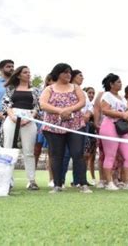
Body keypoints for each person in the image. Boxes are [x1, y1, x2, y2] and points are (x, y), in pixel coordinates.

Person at [39, 63, 92, 194]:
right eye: (65, 72)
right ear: (58, 74)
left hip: (75, 125)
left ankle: (83, 183)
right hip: (54, 126)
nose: (68, 75)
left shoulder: (75, 87)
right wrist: (60, 111)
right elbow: (43, 104)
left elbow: (82, 102)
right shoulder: (49, 89)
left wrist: (69, 110)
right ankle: (57, 184)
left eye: (69, 72)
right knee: (56, 155)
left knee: (78, 153)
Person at [1, 66, 40, 190]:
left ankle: (31, 180)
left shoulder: (35, 90)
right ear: (18, 75)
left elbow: (37, 106)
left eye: (29, 72)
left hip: (29, 119)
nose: (28, 74)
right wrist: (12, 117)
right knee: (8, 148)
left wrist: (29, 118)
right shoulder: (10, 89)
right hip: (12, 117)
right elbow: (6, 104)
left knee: (29, 151)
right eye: (25, 72)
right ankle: (6, 180)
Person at [99, 73, 128, 190]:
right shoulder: (106, 95)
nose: (121, 84)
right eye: (118, 82)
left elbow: (125, 111)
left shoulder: (120, 97)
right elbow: (105, 110)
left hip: (121, 128)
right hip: (109, 126)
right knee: (110, 155)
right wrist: (122, 114)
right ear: (111, 84)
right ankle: (109, 183)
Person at [61, 70, 92, 187]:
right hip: (68, 124)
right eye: (80, 75)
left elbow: (89, 106)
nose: (82, 77)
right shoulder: (66, 90)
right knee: (66, 153)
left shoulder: (82, 92)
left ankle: (78, 180)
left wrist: (88, 114)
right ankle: (60, 181)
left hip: (82, 125)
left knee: (79, 154)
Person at [83, 86, 97, 185]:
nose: (91, 95)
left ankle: (93, 178)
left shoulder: (95, 106)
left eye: (93, 93)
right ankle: (81, 178)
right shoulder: (84, 105)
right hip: (85, 133)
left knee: (92, 157)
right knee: (84, 156)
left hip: (93, 134)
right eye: (89, 93)